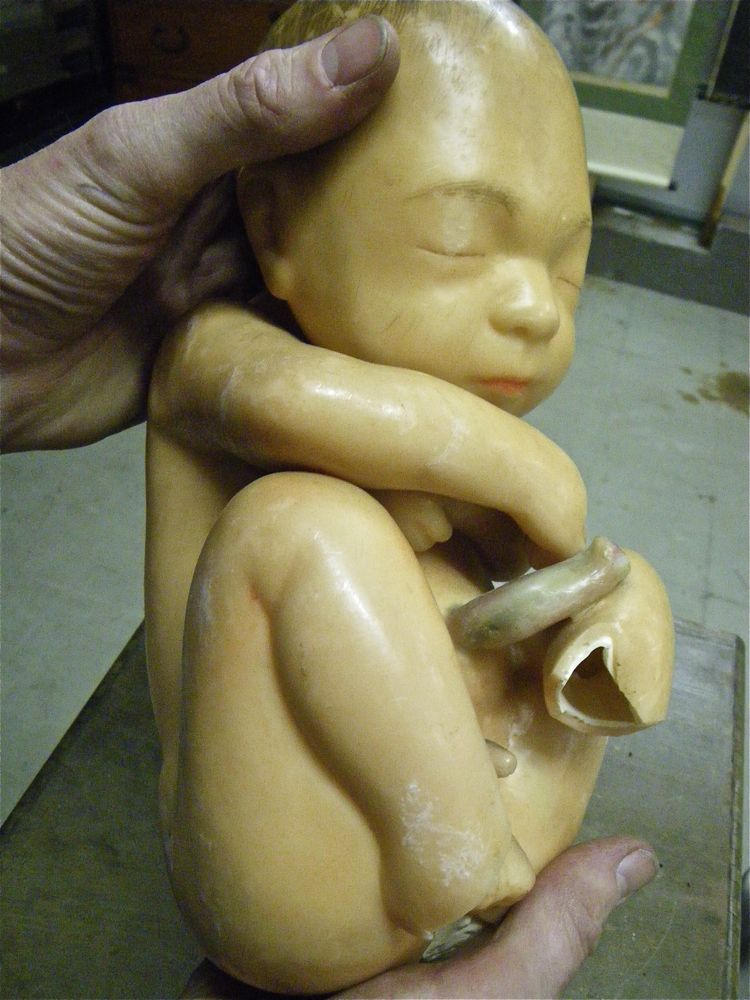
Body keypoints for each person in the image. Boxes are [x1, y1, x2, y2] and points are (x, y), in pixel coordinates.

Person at [0, 7, 660, 998]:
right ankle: (461, 857)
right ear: (274, 229)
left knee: (622, 581)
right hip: (297, 872)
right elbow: (291, 401)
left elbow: (539, 562)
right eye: (459, 240)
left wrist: (598, 614)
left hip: (509, 789)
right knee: (298, 528)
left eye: (567, 268)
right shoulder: (211, 353)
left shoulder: (453, 432)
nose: (535, 309)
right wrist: (533, 470)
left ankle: (511, 792)